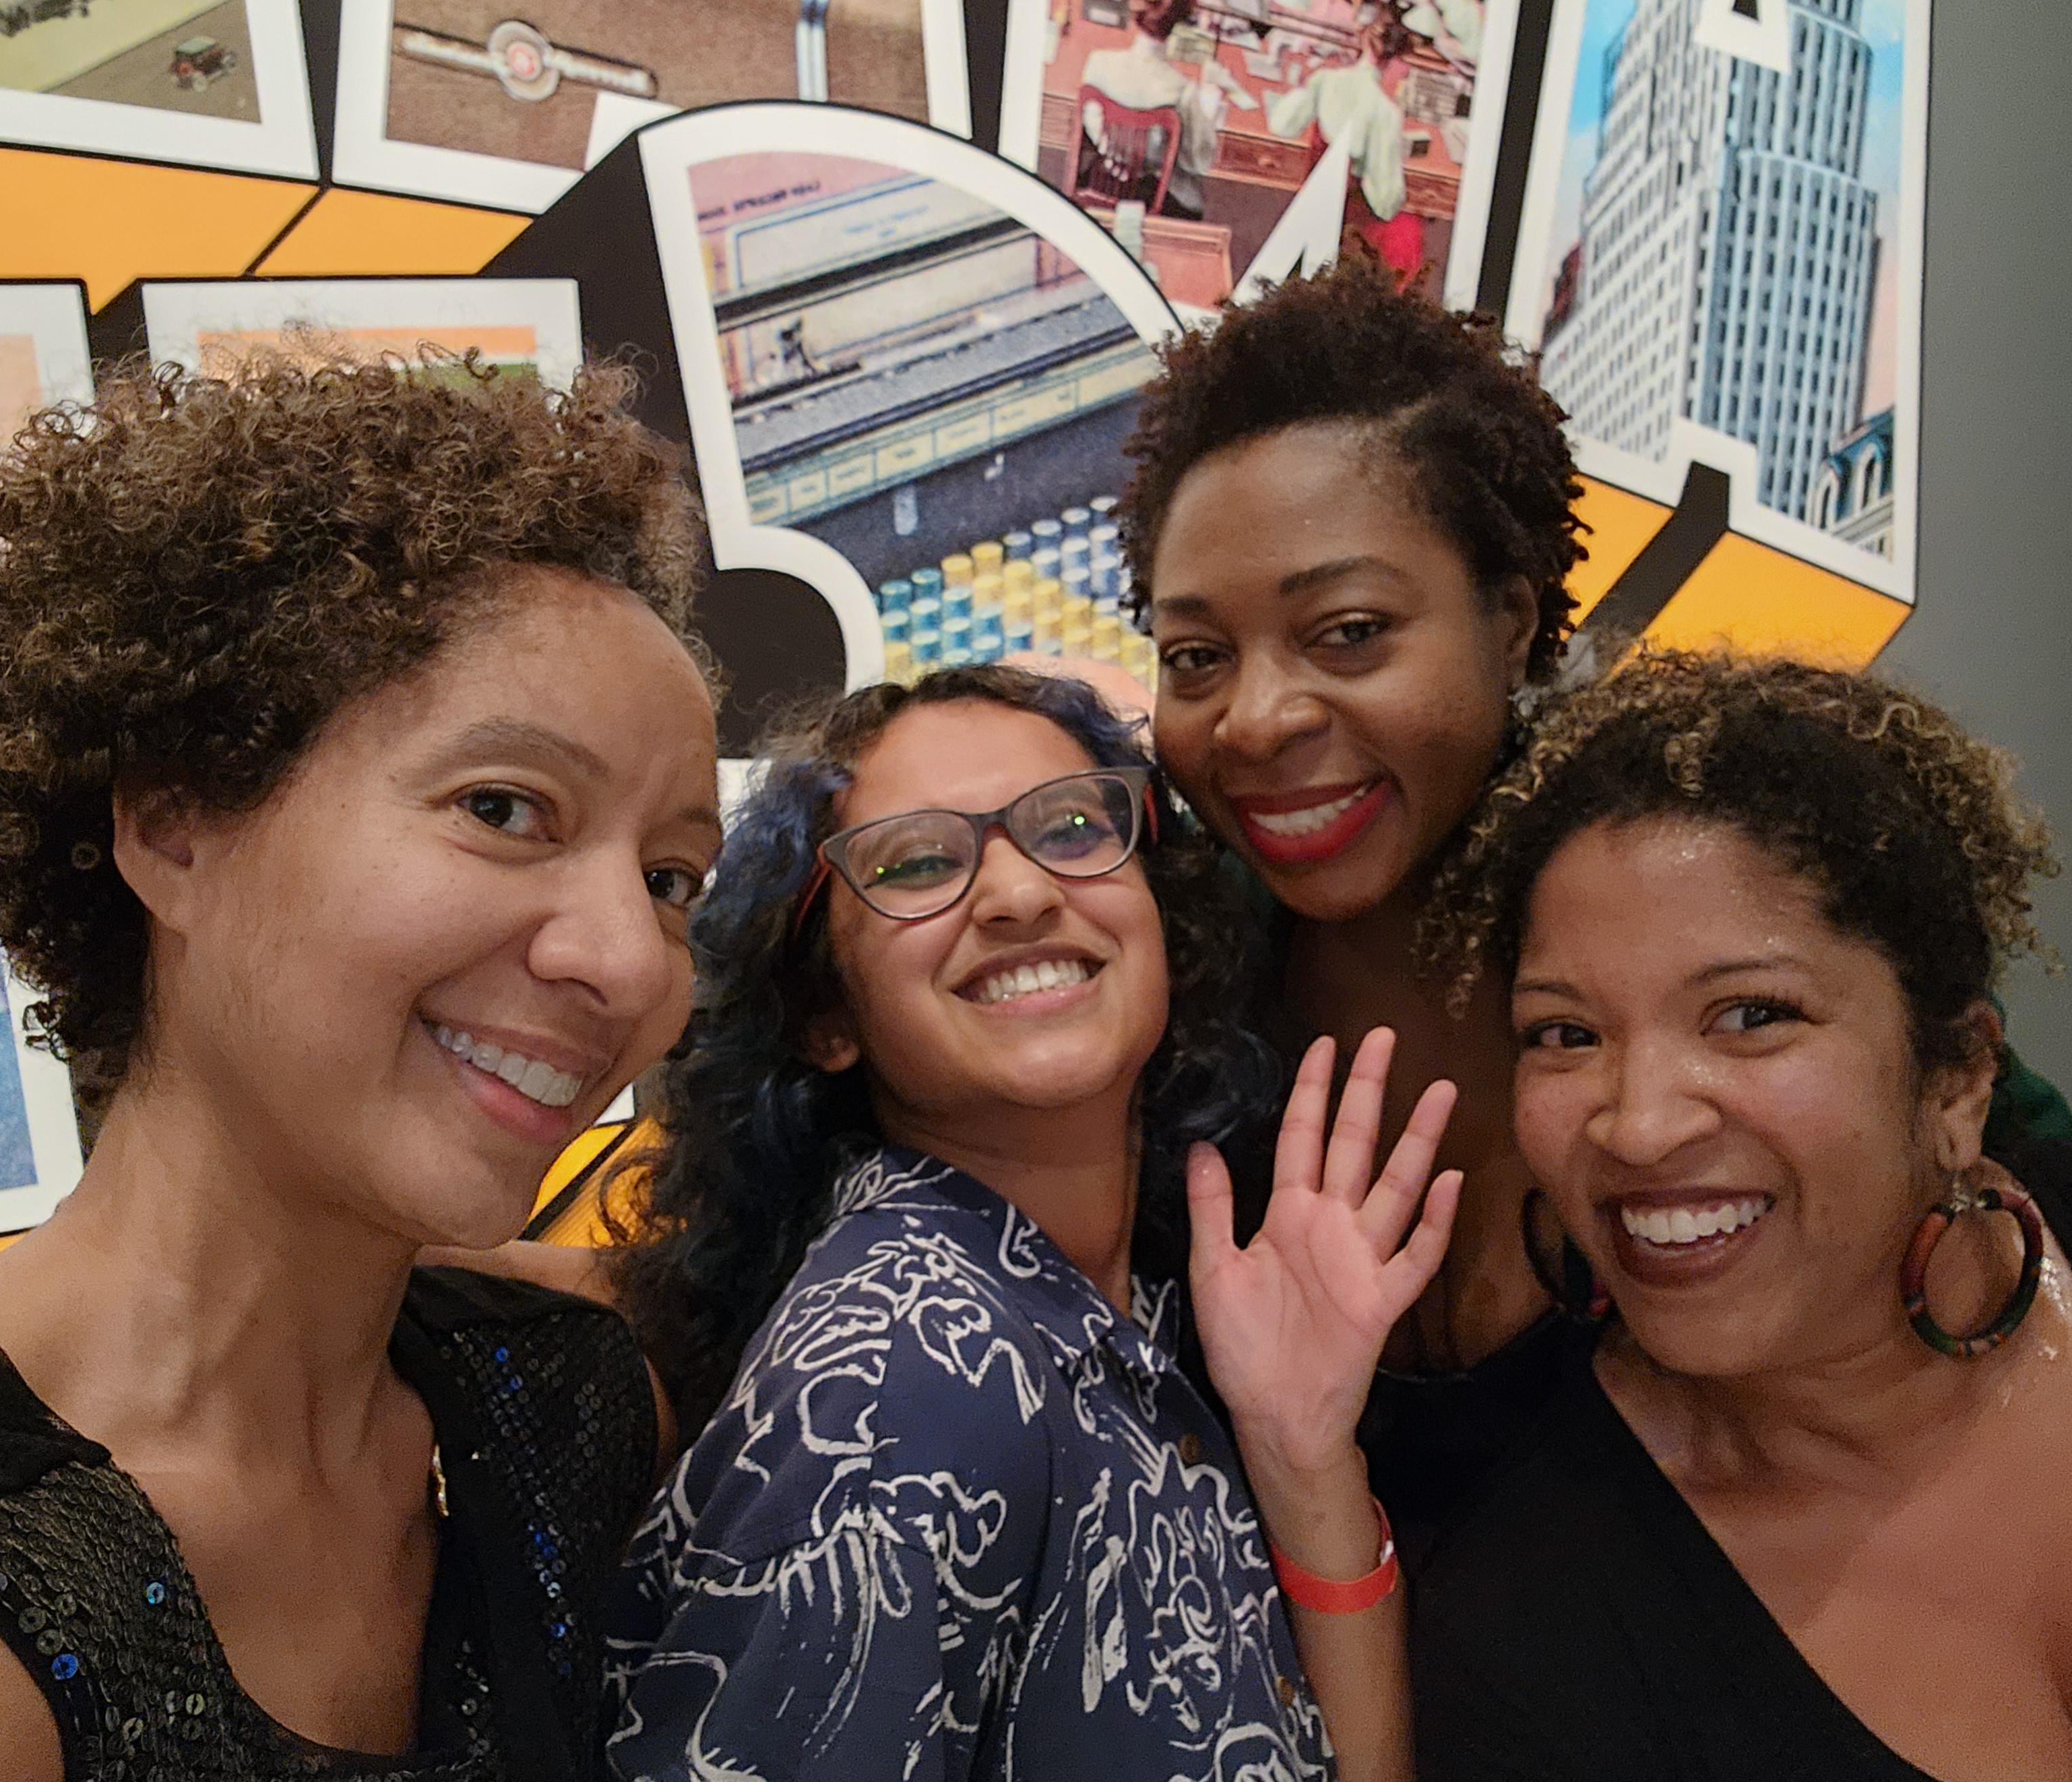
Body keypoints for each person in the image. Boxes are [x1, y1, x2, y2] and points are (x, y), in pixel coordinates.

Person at [0, 357, 718, 1781]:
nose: (630, 959)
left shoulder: (563, 1396)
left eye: (673, 878)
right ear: (176, 827)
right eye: (504, 808)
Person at [1115, 260, 2072, 1585]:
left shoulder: (1696, 901)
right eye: (1195, 657)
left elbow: (2008, 1178)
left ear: (1511, 622)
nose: (1257, 718)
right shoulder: (1165, 1004)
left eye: (1346, 631)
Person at [600, 664, 1459, 1779]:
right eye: (916, 862)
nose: (1014, 894)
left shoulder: (1112, 1307)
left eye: (1067, 827)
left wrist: (1302, 1454)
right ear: (824, 1016)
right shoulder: (906, 1386)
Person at [1408, 648, 2072, 1778]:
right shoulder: (1529, 1623)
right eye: (1565, 1032)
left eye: (1749, 1013)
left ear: (1955, 1075)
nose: (1637, 1125)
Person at [1265, 11, 1424, 278]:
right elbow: (1385, 202)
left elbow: (1281, 124)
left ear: (1364, 44)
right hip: (1349, 219)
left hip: (1313, 199)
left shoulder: (1325, 79)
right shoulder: (1385, 112)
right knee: (1409, 231)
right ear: (1396, 62)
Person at [1079, 0, 1233, 222]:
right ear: (1179, 23)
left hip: (1100, 181)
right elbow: (1198, 163)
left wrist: (1117, 151)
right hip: (1150, 198)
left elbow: (1091, 127)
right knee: (1194, 197)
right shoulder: (1182, 90)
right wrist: (1208, 112)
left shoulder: (1098, 62)